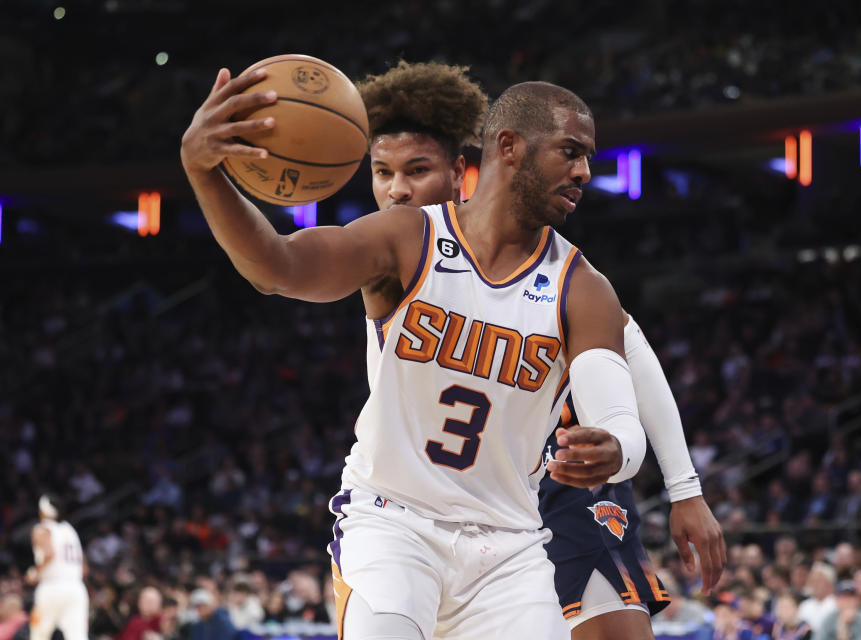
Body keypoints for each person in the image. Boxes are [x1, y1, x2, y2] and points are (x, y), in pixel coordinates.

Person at [182, 67, 649, 639]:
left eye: (587, 156)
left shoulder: (584, 287)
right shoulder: (406, 238)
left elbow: (621, 417)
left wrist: (617, 447)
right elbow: (278, 267)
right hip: (393, 524)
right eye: (570, 152)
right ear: (509, 148)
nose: (584, 170)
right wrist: (205, 174)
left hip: (510, 548)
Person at [355, 60, 725, 640]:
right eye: (382, 173)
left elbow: (635, 352)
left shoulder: (557, 268)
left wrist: (685, 489)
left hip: (552, 475)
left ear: (461, 172)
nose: (398, 188)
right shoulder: (391, 251)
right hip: (433, 505)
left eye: (416, 171)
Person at [25, 495, 88, 640]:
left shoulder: (42, 529)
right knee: (78, 636)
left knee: (39, 634)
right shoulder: (70, 530)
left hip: (52, 586)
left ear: (42, 511)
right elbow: (84, 567)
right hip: (76, 588)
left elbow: (49, 553)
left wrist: (35, 573)